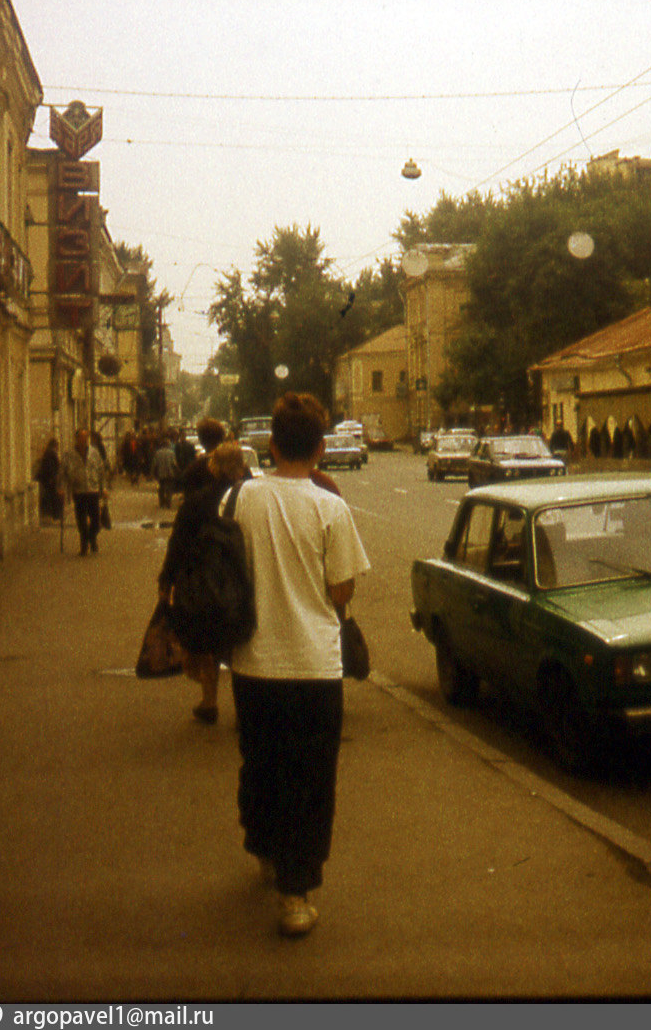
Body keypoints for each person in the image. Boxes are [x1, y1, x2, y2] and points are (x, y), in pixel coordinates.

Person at [229, 392, 369, 939]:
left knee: (260, 763)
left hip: (252, 663)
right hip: (314, 665)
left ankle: (263, 846)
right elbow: (341, 588)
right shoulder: (330, 507)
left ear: (271, 444)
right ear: (318, 448)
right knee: (310, 779)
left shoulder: (242, 499)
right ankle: (295, 893)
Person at [157, 440, 251, 726]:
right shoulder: (253, 496)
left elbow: (178, 542)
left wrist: (166, 580)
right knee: (241, 642)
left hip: (203, 579)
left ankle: (209, 702)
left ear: (214, 466)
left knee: (207, 642)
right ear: (241, 467)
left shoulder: (197, 501)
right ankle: (244, 709)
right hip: (242, 575)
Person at [60, 426, 107, 554]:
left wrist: (104, 488)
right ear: (76, 439)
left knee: (96, 521)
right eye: (82, 437)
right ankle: (84, 545)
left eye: (86, 437)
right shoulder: (69, 455)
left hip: (93, 489)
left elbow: (101, 471)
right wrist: (62, 488)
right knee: (81, 520)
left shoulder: (94, 452)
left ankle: (91, 538)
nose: (84, 440)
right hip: (78, 491)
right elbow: (63, 473)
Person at [176, 417, 229, 499]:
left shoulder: (194, 470)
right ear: (222, 437)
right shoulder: (237, 466)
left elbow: (189, 504)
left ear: (201, 440)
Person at [34, 438, 63, 521]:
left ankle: (53, 514)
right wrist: (52, 477)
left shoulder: (48, 453)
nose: (58, 447)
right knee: (53, 496)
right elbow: (51, 467)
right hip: (50, 479)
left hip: (48, 479)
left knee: (51, 496)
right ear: (55, 445)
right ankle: (55, 515)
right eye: (57, 445)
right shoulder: (51, 453)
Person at [151, 432, 179, 509]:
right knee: (169, 488)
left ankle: (162, 502)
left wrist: (153, 473)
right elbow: (174, 463)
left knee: (161, 487)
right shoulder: (172, 453)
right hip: (170, 473)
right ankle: (168, 502)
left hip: (161, 473)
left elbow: (155, 464)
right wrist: (177, 471)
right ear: (168, 445)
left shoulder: (158, 453)